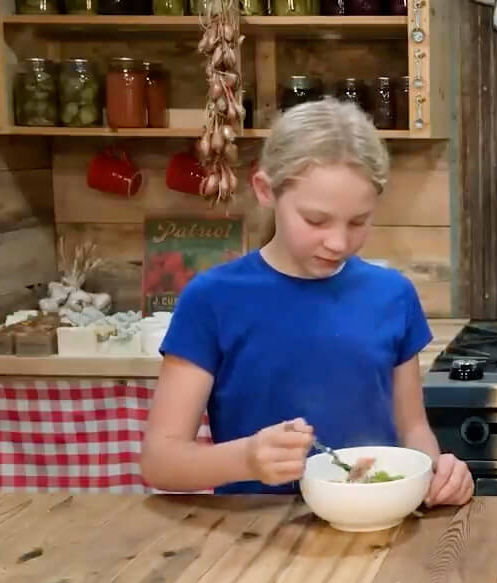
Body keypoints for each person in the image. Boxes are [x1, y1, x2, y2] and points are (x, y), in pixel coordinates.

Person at [141, 98, 473, 506]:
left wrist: (436, 474)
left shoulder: (393, 295)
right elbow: (160, 460)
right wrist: (245, 459)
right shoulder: (212, 299)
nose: (338, 242)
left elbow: (413, 432)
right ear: (265, 190)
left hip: (378, 523)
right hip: (252, 532)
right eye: (316, 220)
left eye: (358, 222)